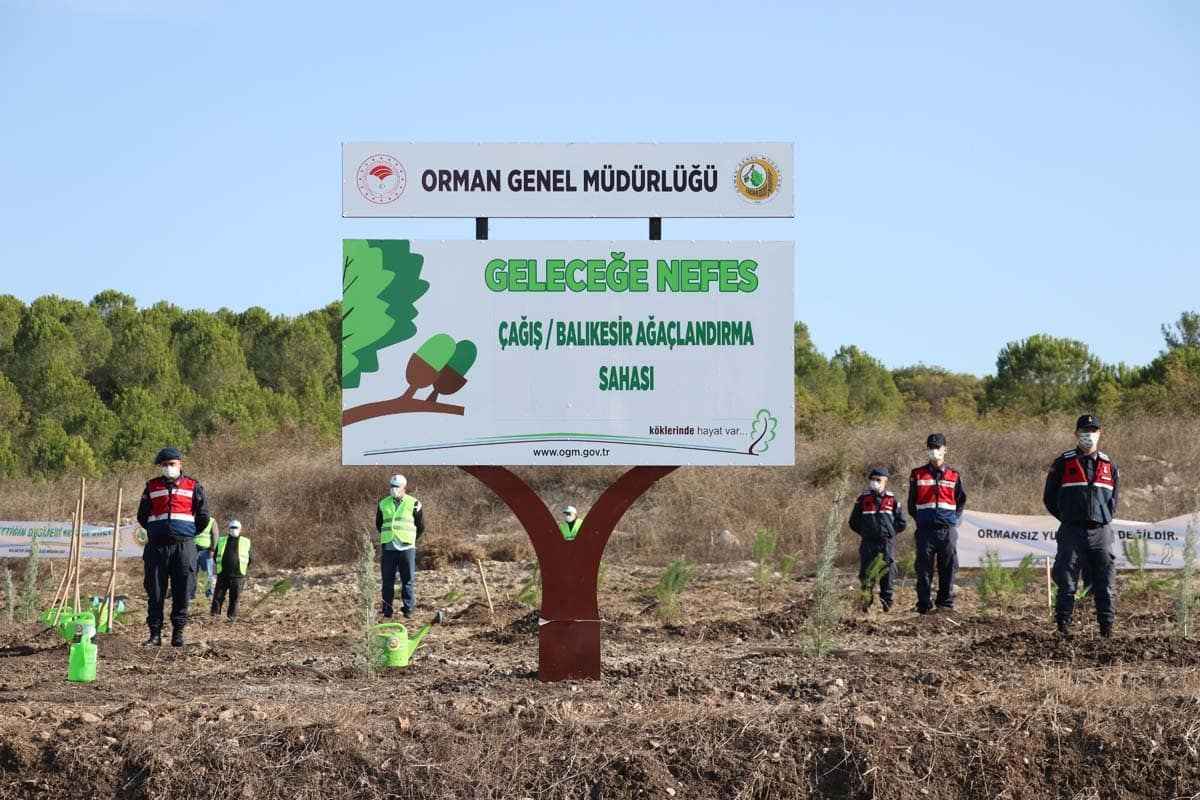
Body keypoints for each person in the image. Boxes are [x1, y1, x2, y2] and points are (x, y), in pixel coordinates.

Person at [1044, 414, 1120, 638]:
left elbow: (1113, 500)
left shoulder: (1109, 465)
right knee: (1066, 581)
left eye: (1093, 430)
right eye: (1084, 431)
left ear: (1100, 433)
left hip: (1101, 532)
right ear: (1076, 434)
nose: (1089, 435)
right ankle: (1063, 629)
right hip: (1071, 531)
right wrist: (1068, 518)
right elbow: (1049, 498)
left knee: (1105, 582)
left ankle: (1107, 631)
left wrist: (1102, 518)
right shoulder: (1062, 462)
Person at [136, 446, 210, 648]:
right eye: (164, 465)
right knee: (156, 592)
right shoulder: (151, 487)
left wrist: (186, 533)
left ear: (180, 464)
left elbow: (203, 516)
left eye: (172, 464)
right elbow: (142, 516)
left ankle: (178, 634)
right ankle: (155, 635)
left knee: (182, 591)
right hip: (157, 548)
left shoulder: (193, 486)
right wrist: (158, 530)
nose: (168, 468)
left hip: (183, 547)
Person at [907, 433, 966, 613]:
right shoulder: (917, 474)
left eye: (938, 447)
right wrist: (921, 520)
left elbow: (960, 500)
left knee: (948, 568)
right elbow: (911, 503)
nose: (934, 451)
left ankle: (945, 604)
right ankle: (924, 605)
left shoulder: (954, 475)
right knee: (923, 569)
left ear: (945, 449)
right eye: (931, 447)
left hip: (947, 529)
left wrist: (953, 519)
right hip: (925, 530)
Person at [849, 467, 907, 611]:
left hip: (886, 542)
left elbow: (902, 522)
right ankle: (866, 603)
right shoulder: (863, 499)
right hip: (868, 542)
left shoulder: (892, 499)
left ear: (885, 481)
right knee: (866, 572)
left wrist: (890, 533)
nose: (874, 482)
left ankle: (886, 603)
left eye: (878, 480)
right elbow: (853, 521)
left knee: (887, 572)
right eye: (872, 479)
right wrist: (865, 533)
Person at [375, 474, 425, 619]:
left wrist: (410, 539)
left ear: (404, 487)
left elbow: (420, 526)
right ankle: (387, 610)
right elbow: (379, 524)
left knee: (407, 581)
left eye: (397, 487)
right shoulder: (383, 503)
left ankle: (408, 609)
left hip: (407, 548)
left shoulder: (414, 503)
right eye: (392, 486)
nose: (393, 489)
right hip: (389, 547)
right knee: (387, 582)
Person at [211, 519, 251, 622]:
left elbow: (250, 558)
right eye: (232, 528)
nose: (234, 530)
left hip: (238, 575)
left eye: (236, 528)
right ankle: (215, 616)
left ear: (240, 529)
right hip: (223, 574)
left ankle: (231, 617)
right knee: (218, 596)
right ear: (228, 529)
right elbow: (215, 556)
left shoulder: (246, 541)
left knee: (234, 597)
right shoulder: (221, 540)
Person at [190, 517, 218, 601]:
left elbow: (215, 535)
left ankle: (209, 593)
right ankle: (191, 594)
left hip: (206, 551)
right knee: (193, 573)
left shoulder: (211, 521)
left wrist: (213, 549)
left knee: (208, 574)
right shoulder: (192, 519)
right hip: (193, 550)